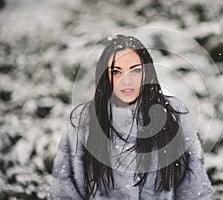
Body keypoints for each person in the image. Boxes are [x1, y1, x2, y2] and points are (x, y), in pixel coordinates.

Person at [48, 34, 212, 199]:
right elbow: (64, 192)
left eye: (135, 70)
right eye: (116, 71)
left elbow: (194, 190)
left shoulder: (174, 114)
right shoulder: (83, 121)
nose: (126, 81)